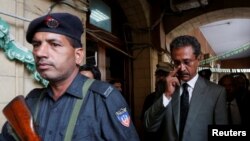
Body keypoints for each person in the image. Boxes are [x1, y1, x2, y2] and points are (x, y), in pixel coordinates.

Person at [0, 13, 139, 141]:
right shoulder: (31, 101)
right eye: (36, 45)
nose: (40, 52)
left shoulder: (103, 99)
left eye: (54, 44)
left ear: (78, 56)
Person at [144, 35, 227, 141]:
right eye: (177, 63)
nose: (181, 68)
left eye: (187, 62)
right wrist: (167, 95)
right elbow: (149, 126)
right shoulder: (165, 88)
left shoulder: (216, 92)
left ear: (198, 59)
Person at [140, 62, 172, 141]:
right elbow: (144, 124)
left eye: (164, 75)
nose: (160, 78)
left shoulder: (177, 97)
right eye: (158, 75)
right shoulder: (150, 98)